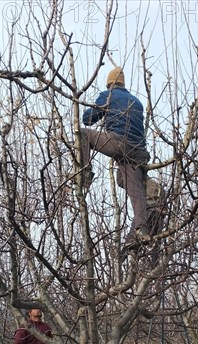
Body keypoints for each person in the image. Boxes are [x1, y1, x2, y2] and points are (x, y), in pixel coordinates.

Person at [82, 66, 150, 251]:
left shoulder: (108, 95)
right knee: (137, 195)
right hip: (137, 152)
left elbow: (88, 120)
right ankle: (140, 232)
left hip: (118, 143)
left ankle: (85, 174)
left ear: (109, 83)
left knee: (83, 134)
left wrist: (98, 107)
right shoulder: (137, 102)